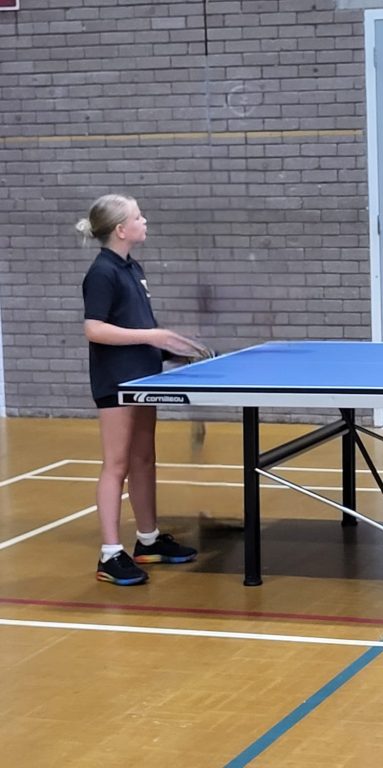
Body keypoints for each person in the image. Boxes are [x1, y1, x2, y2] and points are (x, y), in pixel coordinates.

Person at [79, 193, 202, 586]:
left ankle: (148, 540)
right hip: (116, 381)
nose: (144, 220)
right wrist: (153, 335)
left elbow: (135, 324)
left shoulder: (132, 267)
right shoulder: (102, 273)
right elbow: (94, 329)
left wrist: (169, 350)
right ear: (121, 229)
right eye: (138, 216)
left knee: (144, 459)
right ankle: (110, 554)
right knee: (116, 464)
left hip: (143, 379)